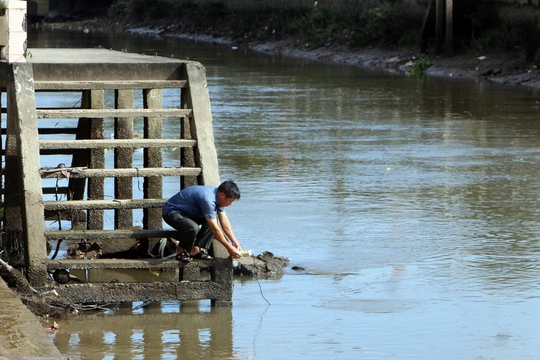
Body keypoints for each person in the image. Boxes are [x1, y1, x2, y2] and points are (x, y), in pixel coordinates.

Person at [162, 180, 243, 262]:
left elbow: (224, 221)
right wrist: (229, 248)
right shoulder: (208, 199)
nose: (230, 204)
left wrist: (234, 241)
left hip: (189, 214)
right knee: (193, 227)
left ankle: (195, 250)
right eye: (230, 201)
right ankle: (181, 250)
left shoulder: (218, 198)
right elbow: (214, 228)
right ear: (222, 195)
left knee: (210, 221)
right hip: (172, 212)